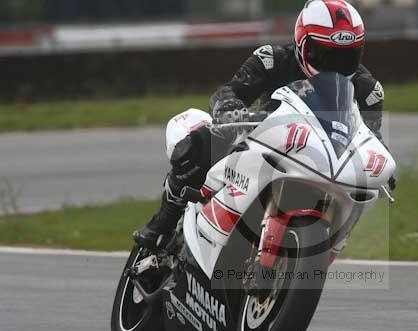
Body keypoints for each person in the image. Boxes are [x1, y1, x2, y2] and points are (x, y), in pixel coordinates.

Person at [134, 0, 390, 249]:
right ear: (301, 44)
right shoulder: (273, 60)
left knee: (362, 193)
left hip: (322, 161)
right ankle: (165, 220)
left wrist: (379, 164)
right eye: (325, 56)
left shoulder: (367, 91)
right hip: (263, 140)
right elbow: (227, 93)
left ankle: (326, 246)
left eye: (345, 59)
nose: (334, 68)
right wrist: (231, 111)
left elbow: (370, 135)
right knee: (197, 138)